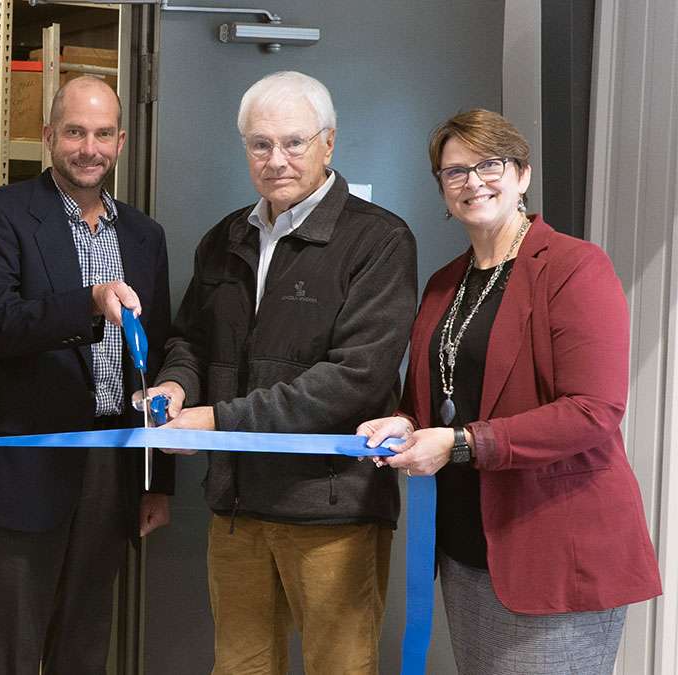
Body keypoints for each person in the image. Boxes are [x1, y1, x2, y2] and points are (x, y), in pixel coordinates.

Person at [357, 108, 661, 674]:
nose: (473, 181)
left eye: (489, 164)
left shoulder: (574, 267)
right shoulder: (445, 281)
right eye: (455, 171)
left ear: (521, 174)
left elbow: (593, 412)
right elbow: (441, 390)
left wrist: (462, 443)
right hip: (468, 547)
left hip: (555, 549)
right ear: (442, 189)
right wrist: (403, 419)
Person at [149, 71, 418, 674]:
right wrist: (176, 385)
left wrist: (217, 418)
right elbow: (191, 340)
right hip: (239, 508)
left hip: (331, 507)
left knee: (339, 667)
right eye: (260, 144)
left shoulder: (378, 241)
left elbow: (355, 378)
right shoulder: (225, 239)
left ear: (329, 143)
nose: (277, 160)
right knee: (239, 667)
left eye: (294, 142)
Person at [0, 75, 174, 674]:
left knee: (84, 646)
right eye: (75, 131)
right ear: (50, 135)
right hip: (26, 467)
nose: (88, 147)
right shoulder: (1, 215)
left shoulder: (144, 236)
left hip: (113, 465)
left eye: (103, 134)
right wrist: (88, 301)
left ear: (122, 141)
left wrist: (157, 479)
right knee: (12, 652)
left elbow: (158, 361)